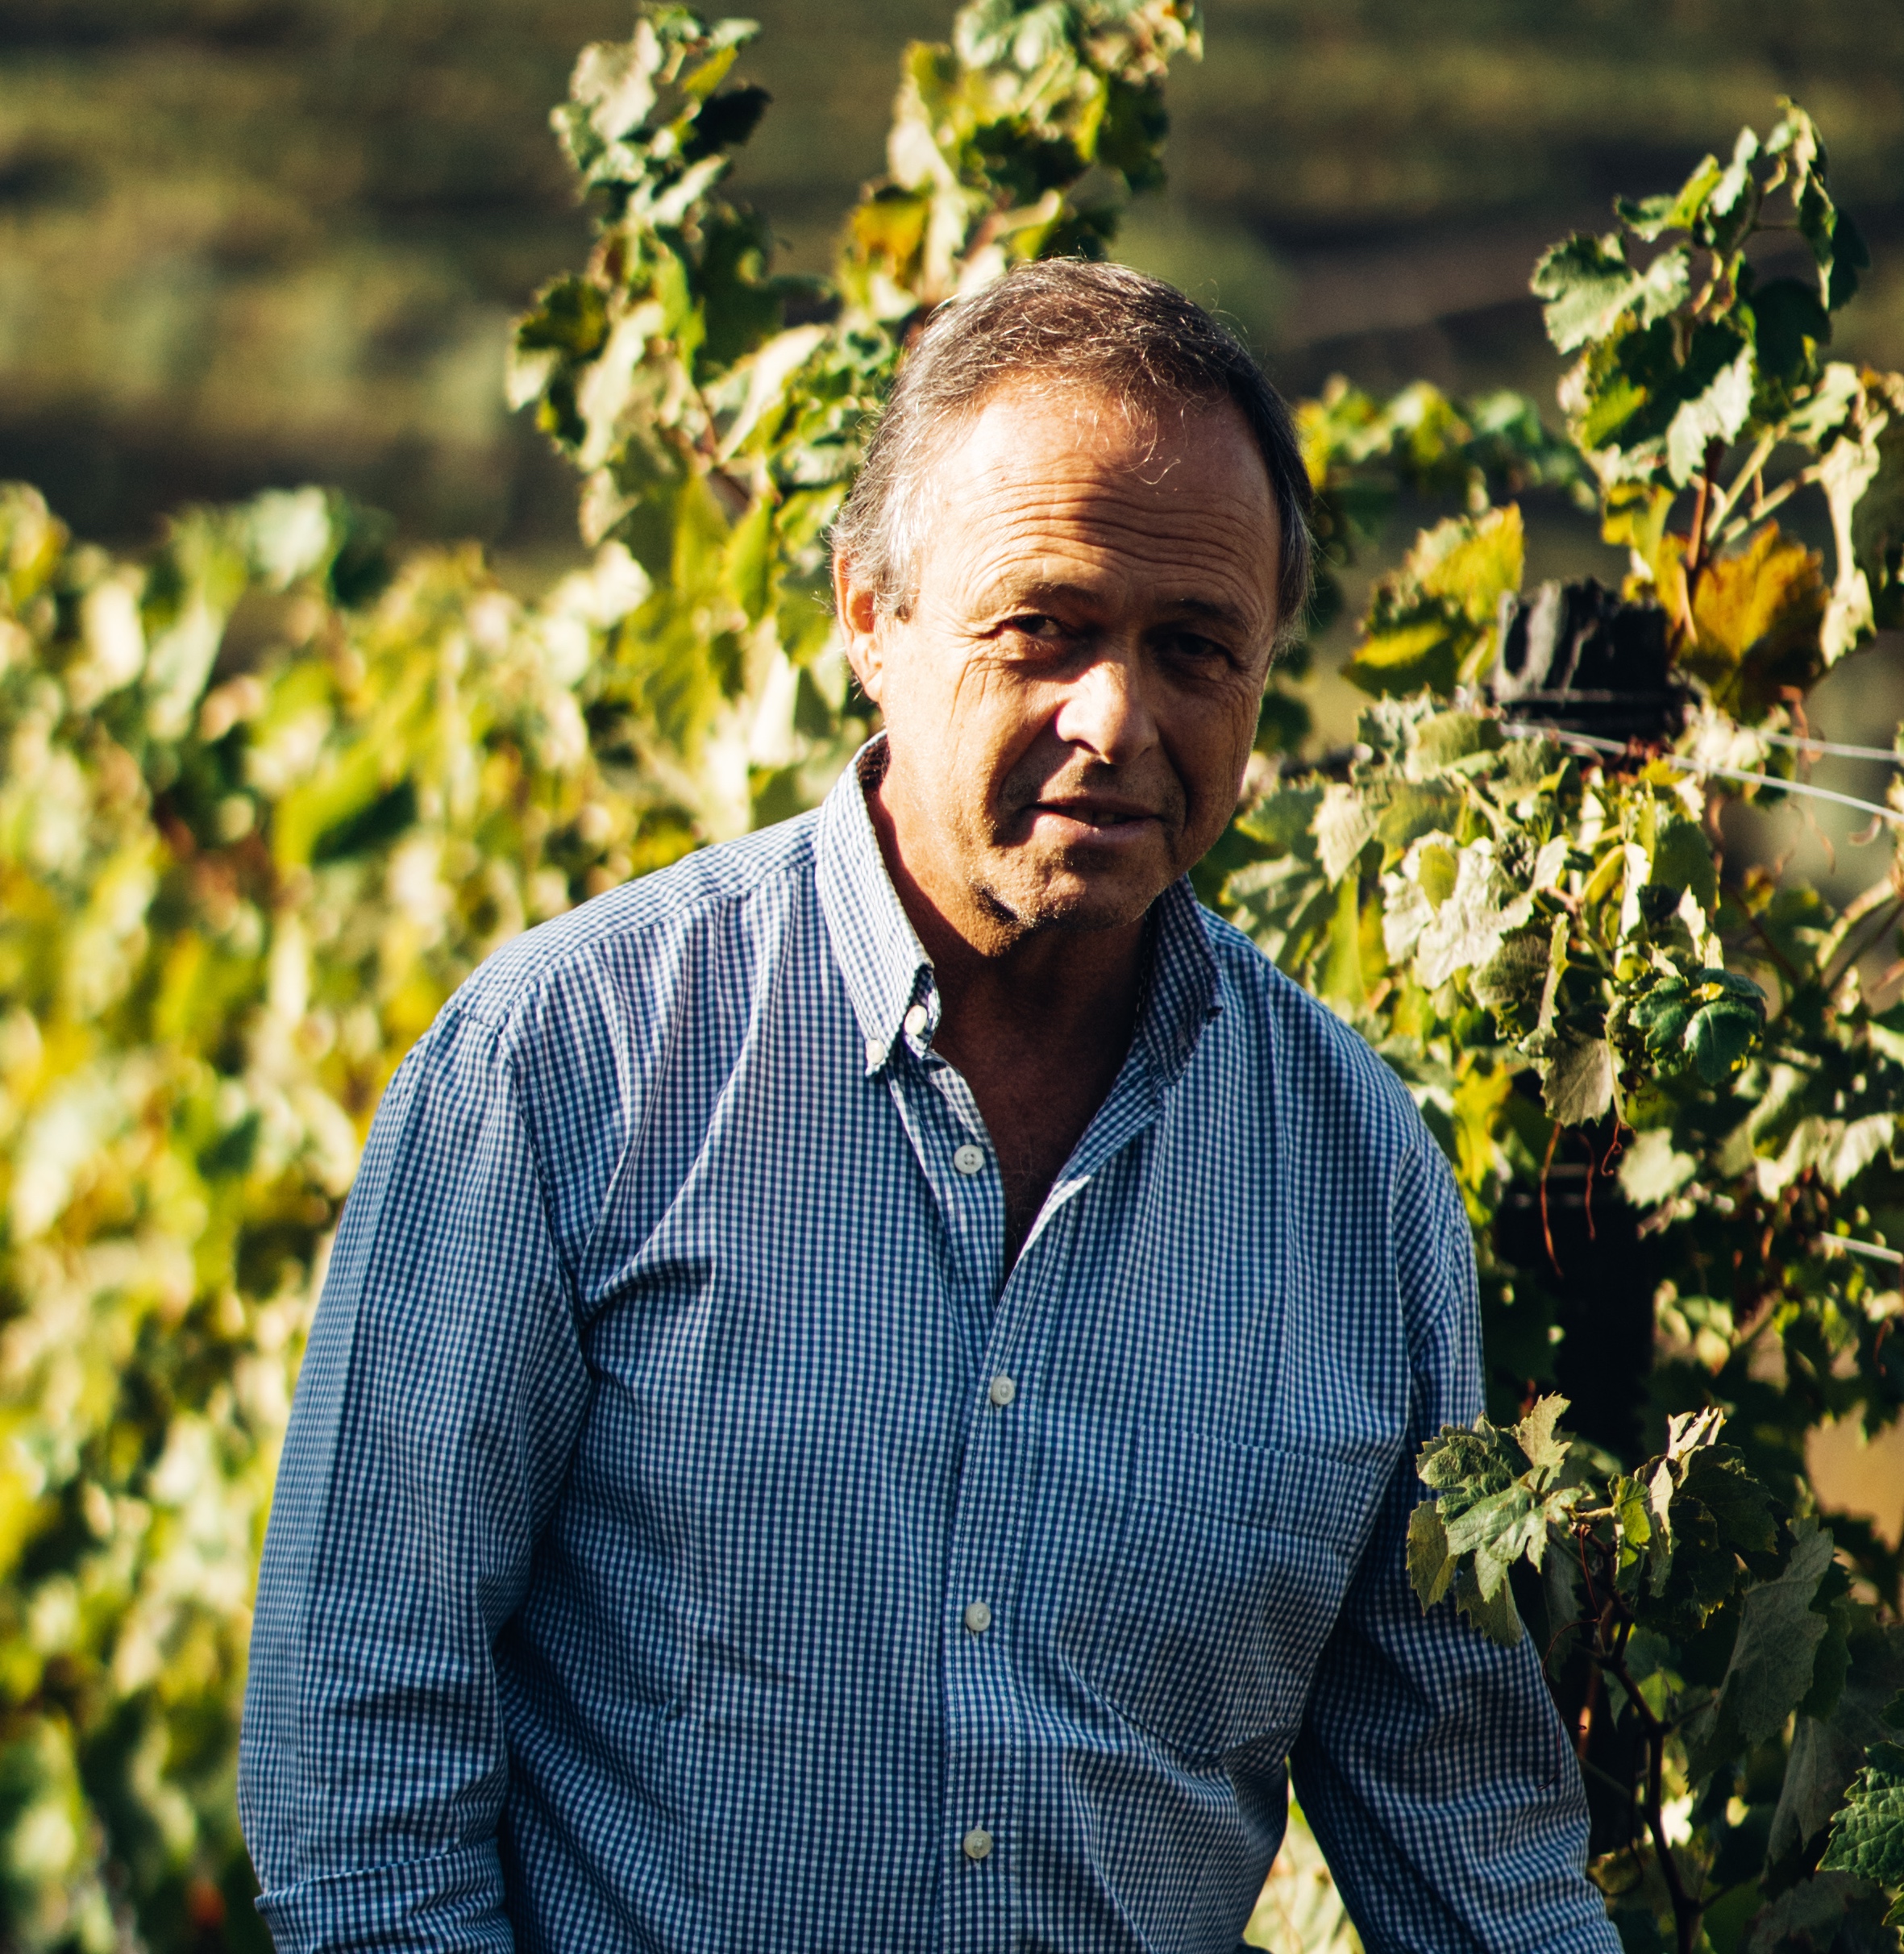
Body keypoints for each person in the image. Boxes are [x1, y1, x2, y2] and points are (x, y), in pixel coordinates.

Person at [239, 260, 1618, 1953]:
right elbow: (358, 1756)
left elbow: (1461, 1852)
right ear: (867, 623)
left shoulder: (1355, 1179)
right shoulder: (564, 1069)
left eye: (1193, 650)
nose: (1116, 719)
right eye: (1044, 625)